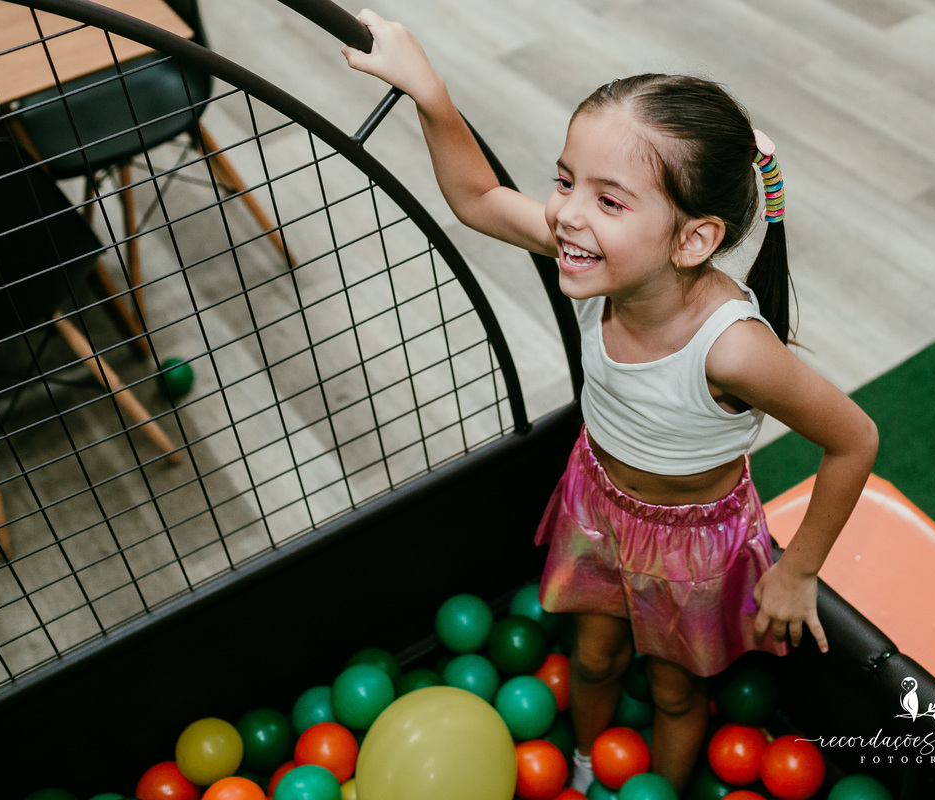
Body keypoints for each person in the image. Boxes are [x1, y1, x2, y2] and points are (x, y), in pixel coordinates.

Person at [343, 10, 879, 795]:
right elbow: (480, 198)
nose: (566, 213)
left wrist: (797, 572)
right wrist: (430, 93)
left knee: (673, 690)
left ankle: (656, 787)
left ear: (692, 241)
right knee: (592, 658)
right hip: (598, 506)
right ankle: (594, 769)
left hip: (692, 547)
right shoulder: (597, 264)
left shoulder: (730, 348)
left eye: (609, 199)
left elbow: (854, 439)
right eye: (565, 181)